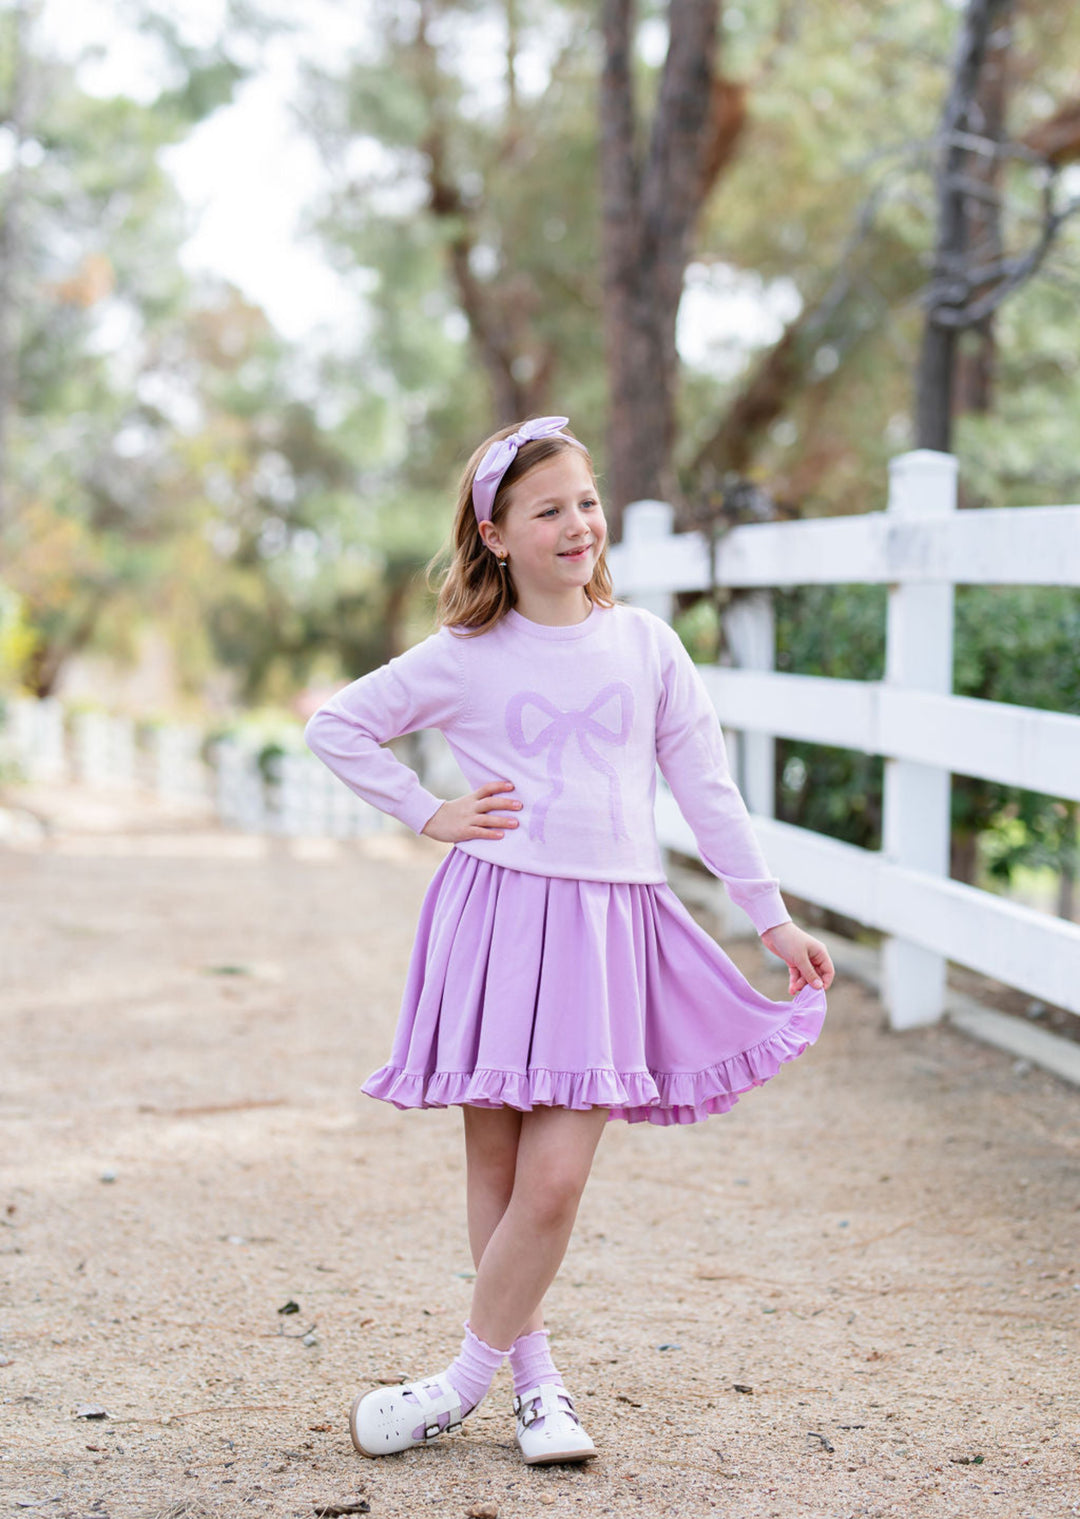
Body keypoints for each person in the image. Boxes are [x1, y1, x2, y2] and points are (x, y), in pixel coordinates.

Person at [304, 416, 834, 1466]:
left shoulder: (644, 644)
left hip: (604, 931)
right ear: (496, 535)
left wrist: (767, 911)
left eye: (586, 502)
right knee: (497, 1173)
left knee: (554, 1185)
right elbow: (338, 724)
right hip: (496, 919)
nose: (578, 524)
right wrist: (428, 811)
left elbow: (706, 788)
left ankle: (457, 1387)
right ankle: (538, 1387)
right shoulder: (464, 656)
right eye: (549, 510)